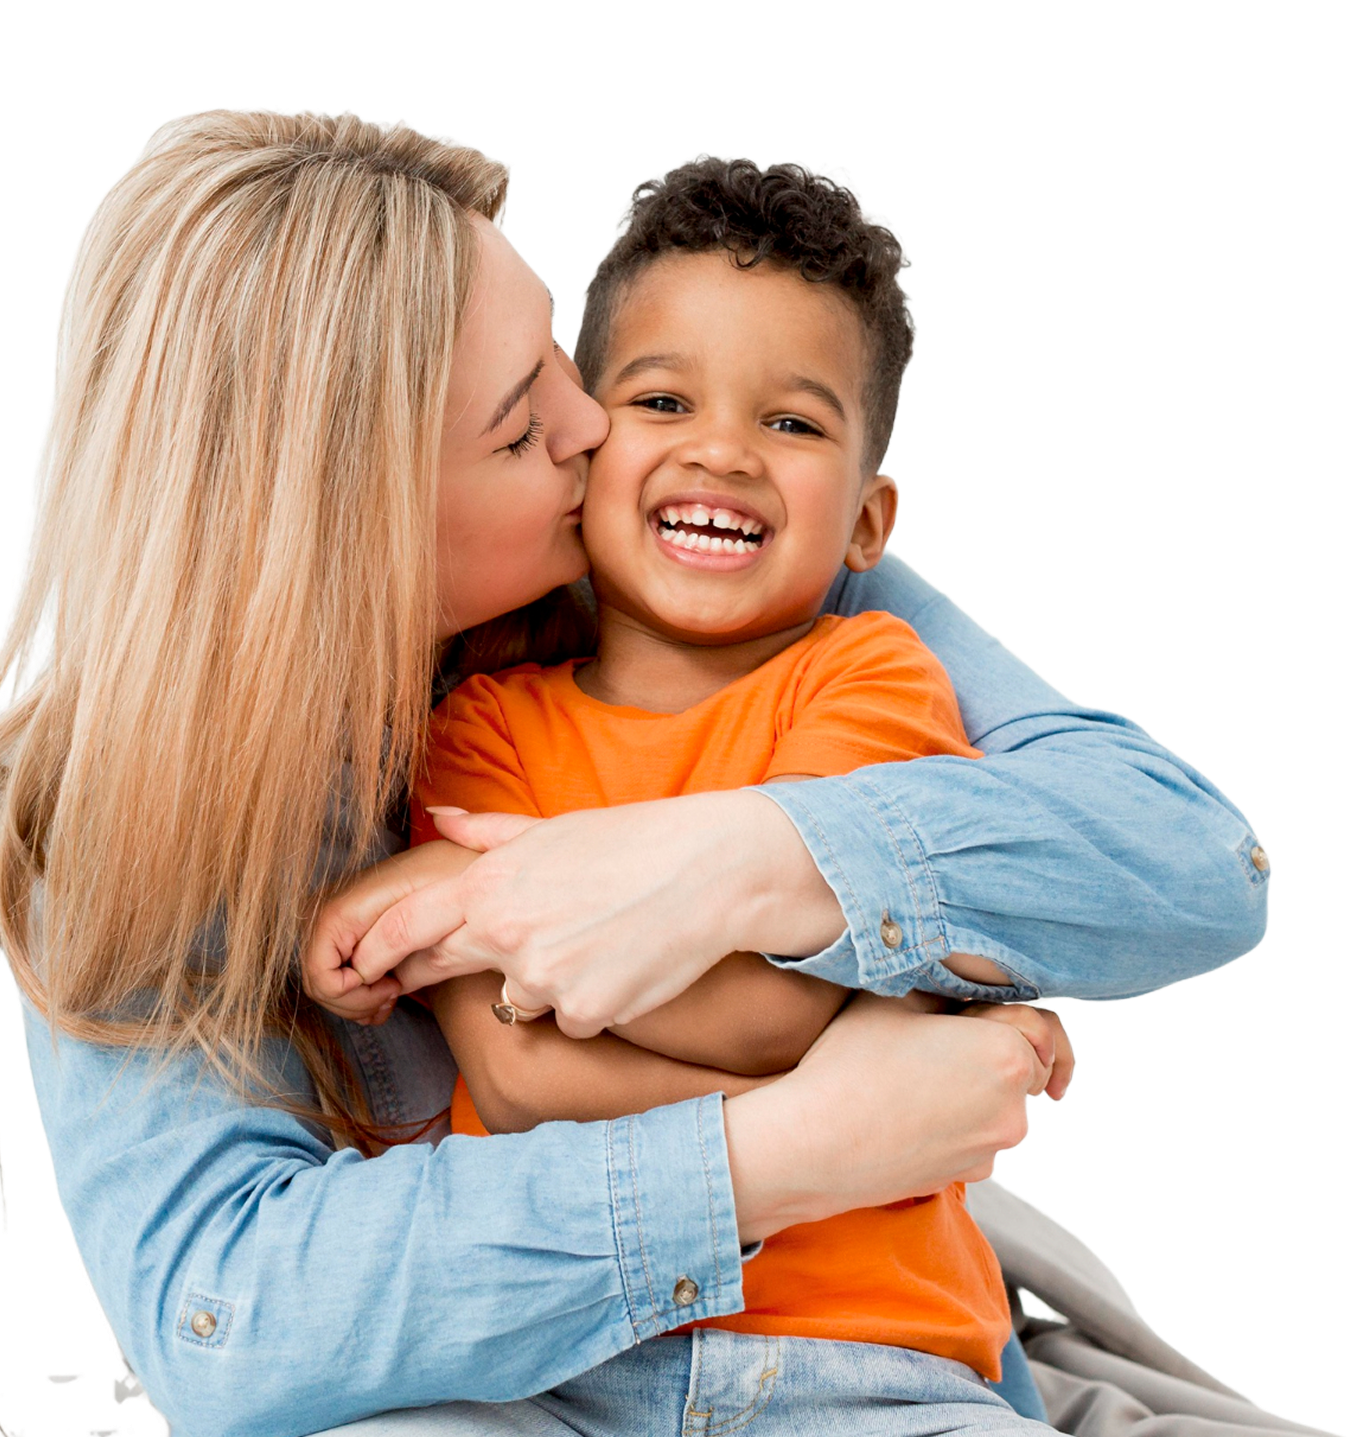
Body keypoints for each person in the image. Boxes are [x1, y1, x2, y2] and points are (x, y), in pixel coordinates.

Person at [0, 106, 1272, 1437]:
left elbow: (1187, 859)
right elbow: (233, 1313)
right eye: (514, 425)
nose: (595, 421)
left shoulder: (720, 564)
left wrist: (733, 862)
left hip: (871, 1357)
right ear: (353, 523)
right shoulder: (116, 806)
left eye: (556, 348)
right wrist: (793, 1147)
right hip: (527, 1383)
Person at [306, 154, 1077, 1433]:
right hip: (551, 1363)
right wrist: (852, 1110)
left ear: (869, 521)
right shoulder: (484, 723)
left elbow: (771, 1010)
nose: (721, 451)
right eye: (663, 399)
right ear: (584, 444)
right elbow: (516, 1078)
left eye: (792, 422)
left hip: (866, 1364)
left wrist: (489, 910)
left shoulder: (873, 679)